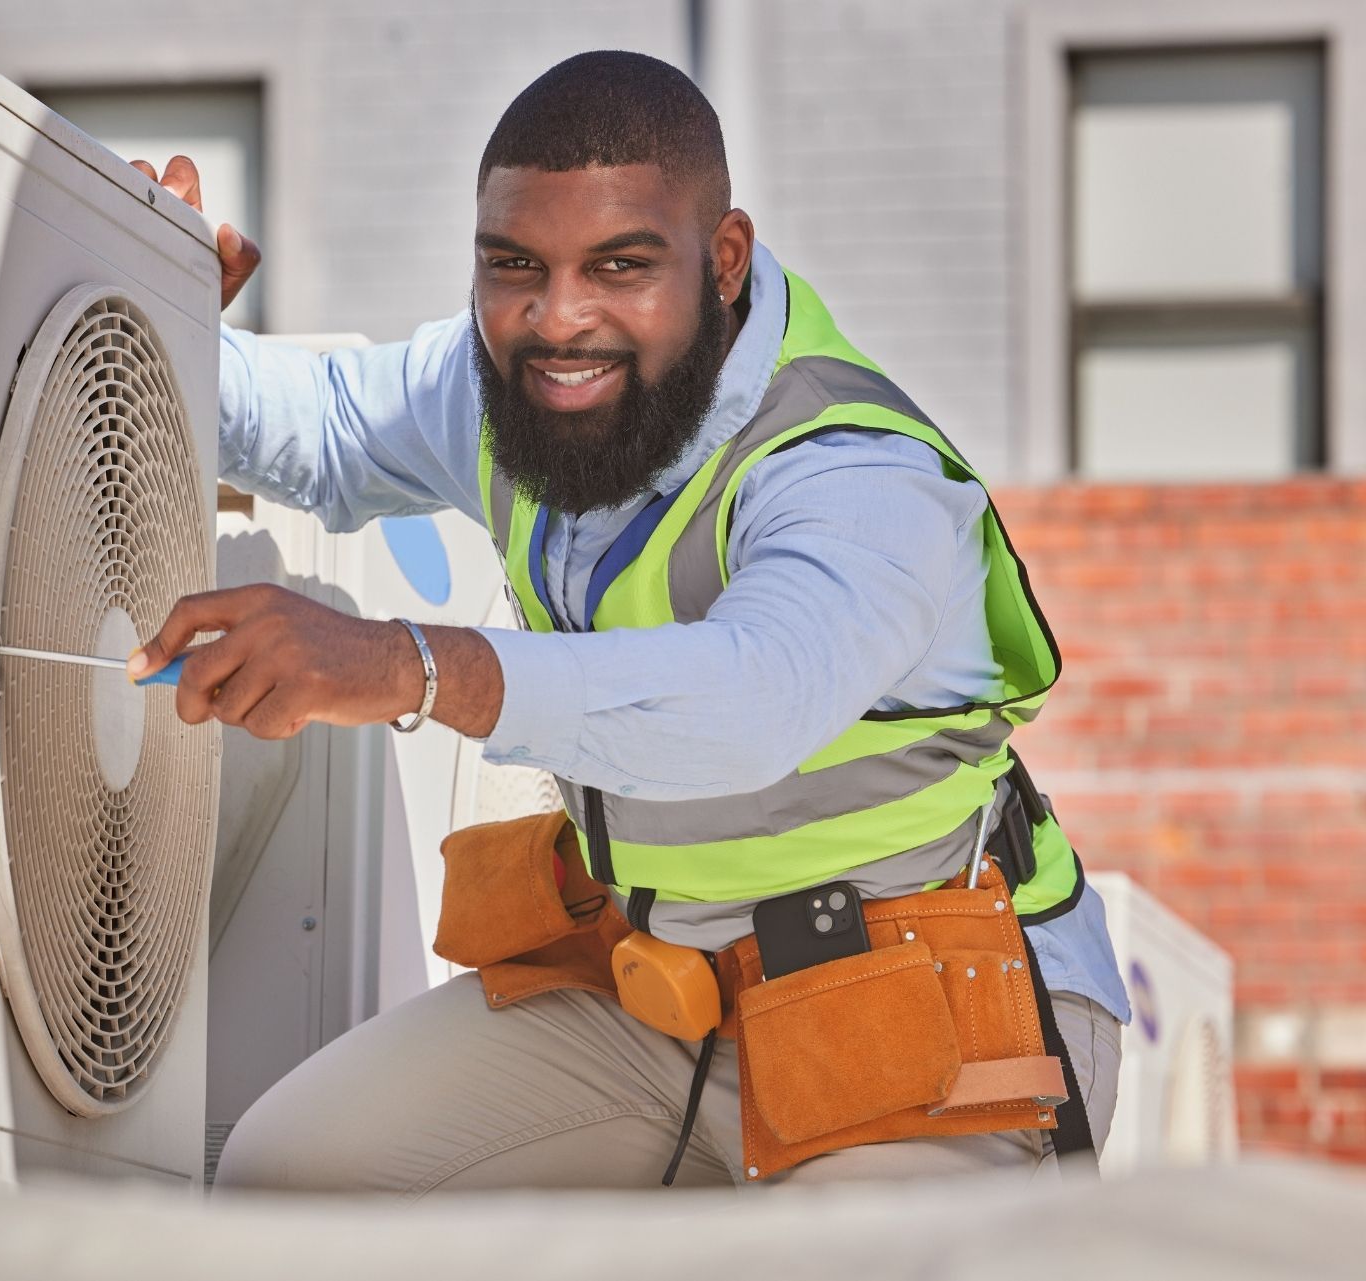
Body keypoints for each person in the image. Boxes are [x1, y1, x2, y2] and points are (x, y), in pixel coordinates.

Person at [126, 49, 1129, 1195]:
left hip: (931, 1014)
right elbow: (327, 425)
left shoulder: (855, 474)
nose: (560, 320)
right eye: (515, 266)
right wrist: (160, 307)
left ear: (726, 258)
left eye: (620, 266)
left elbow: (752, 701)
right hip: (667, 1001)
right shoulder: (506, 386)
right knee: (288, 1177)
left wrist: (408, 666)